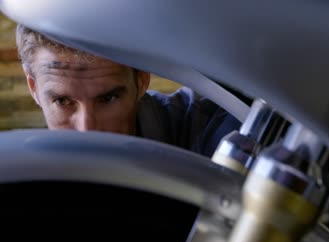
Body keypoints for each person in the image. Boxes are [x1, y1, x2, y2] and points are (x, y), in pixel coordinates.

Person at [15, 24, 241, 157]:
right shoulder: (20, 178)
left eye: (108, 98)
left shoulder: (208, 128)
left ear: (142, 79)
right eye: (63, 101)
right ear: (33, 88)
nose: (87, 130)